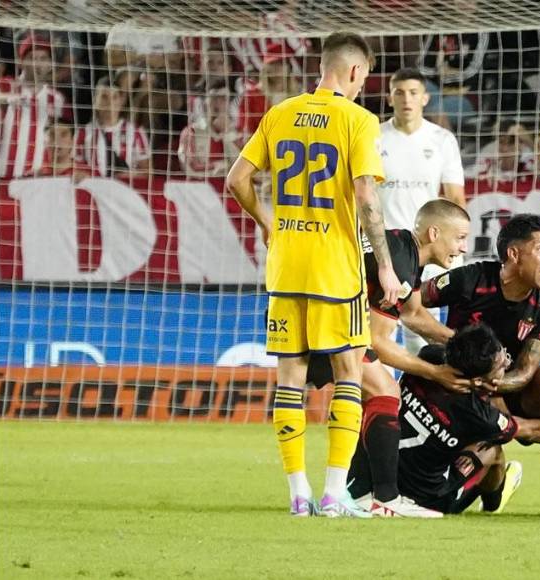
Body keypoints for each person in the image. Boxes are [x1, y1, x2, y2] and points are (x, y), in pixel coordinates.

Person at [226, 32, 400, 518]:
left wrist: (267, 223)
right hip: (334, 269)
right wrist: (384, 265)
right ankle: (333, 492)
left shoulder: (279, 114)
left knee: (290, 380)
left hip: (285, 267)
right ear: (355, 73)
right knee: (348, 374)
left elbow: (236, 179)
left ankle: (297, 493)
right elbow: (365, 194)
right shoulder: (358, 120)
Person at [306, 199, 472, 517]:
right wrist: (434, 373)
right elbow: (378, 343)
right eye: (459, 238)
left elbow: (413, 314)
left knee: (377, 395)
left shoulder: (403, 250)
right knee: (385, 391)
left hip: (314, 316)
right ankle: (385, 498)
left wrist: (461, 344)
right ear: (434, 233)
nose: (463, 248)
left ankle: (358, 493)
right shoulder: (398, 260)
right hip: (321, 324)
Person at [420, 214, 540, 517]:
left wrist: (491, 383)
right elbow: (413, 303)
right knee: (492, 459)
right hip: (461, 386)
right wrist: (452, 344)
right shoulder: (471, 280)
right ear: (514, 254)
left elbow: (525, 371)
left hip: (508, 385)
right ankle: (496, 489)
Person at [348, 324, 540, 515]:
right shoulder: (481, 416)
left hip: (375, 477)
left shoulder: (429, 357)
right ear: (478, 380)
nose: (506, 362)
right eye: (500, 364)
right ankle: (493, 504)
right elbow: (530, 430)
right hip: (427, 499)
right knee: (492, 451)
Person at [378, 67, 466, 354]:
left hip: (427, 248)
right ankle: (384, 396)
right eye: (399, 92)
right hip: (385, 251)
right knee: (382, 333)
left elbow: (455, 197)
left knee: (421, 331)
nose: (407, 99)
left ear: (425, 98)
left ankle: (421, 395)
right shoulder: (375, 137)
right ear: (389, 98)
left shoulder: (441, 140)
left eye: (413, 93)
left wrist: (453, 243)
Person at [0, 32, 68, 179]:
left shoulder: (57, 99)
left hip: (37, 177)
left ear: (50, 65)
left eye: (43, 58)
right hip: (2, 173)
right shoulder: (5, 85)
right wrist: (5, 99)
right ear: (21, 63)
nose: (38, 63)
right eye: (32, 58)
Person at [76, 75, 150, 178]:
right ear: (95, 102)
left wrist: (129, 175)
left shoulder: (136, 132)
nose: (110, 103)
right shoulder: (82, 133)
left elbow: (147, 172)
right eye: (104, 97)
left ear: (120, 102)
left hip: (125, 189)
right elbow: (75, 168)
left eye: (114, 97)